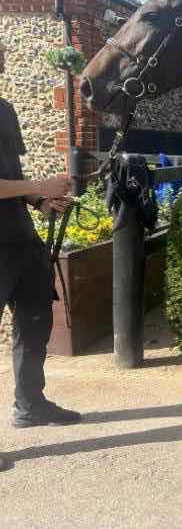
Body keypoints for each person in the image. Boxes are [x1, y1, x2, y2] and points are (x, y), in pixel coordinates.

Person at [0, 97, 82, 471]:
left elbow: (10, 172)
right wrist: (41, 184)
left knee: (35, 322)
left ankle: (30, 404)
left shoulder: (4, 109)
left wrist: (39, 200)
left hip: (20, 239)